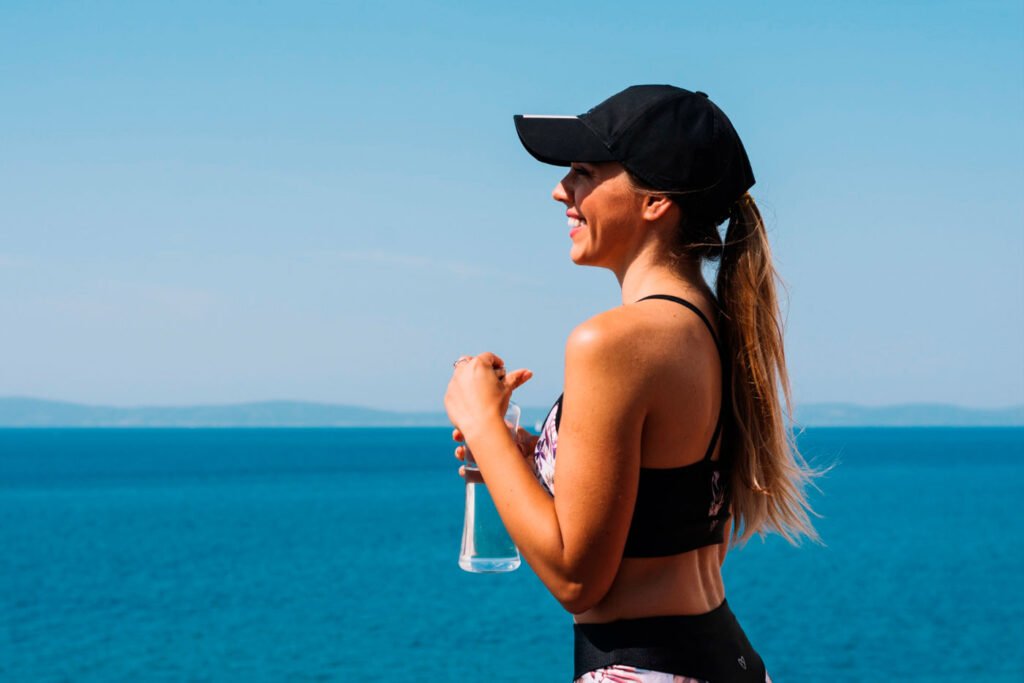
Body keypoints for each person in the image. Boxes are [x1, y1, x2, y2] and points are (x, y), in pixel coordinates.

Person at [444, 85, 820, 683]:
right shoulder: (713, 328)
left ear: (656, 201)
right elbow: (676, 520)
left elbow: (577, 578)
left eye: (585, 172)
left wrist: (481, 419)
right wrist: (526, 465)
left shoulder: (611, 342)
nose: (560, 190)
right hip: (727, 660)